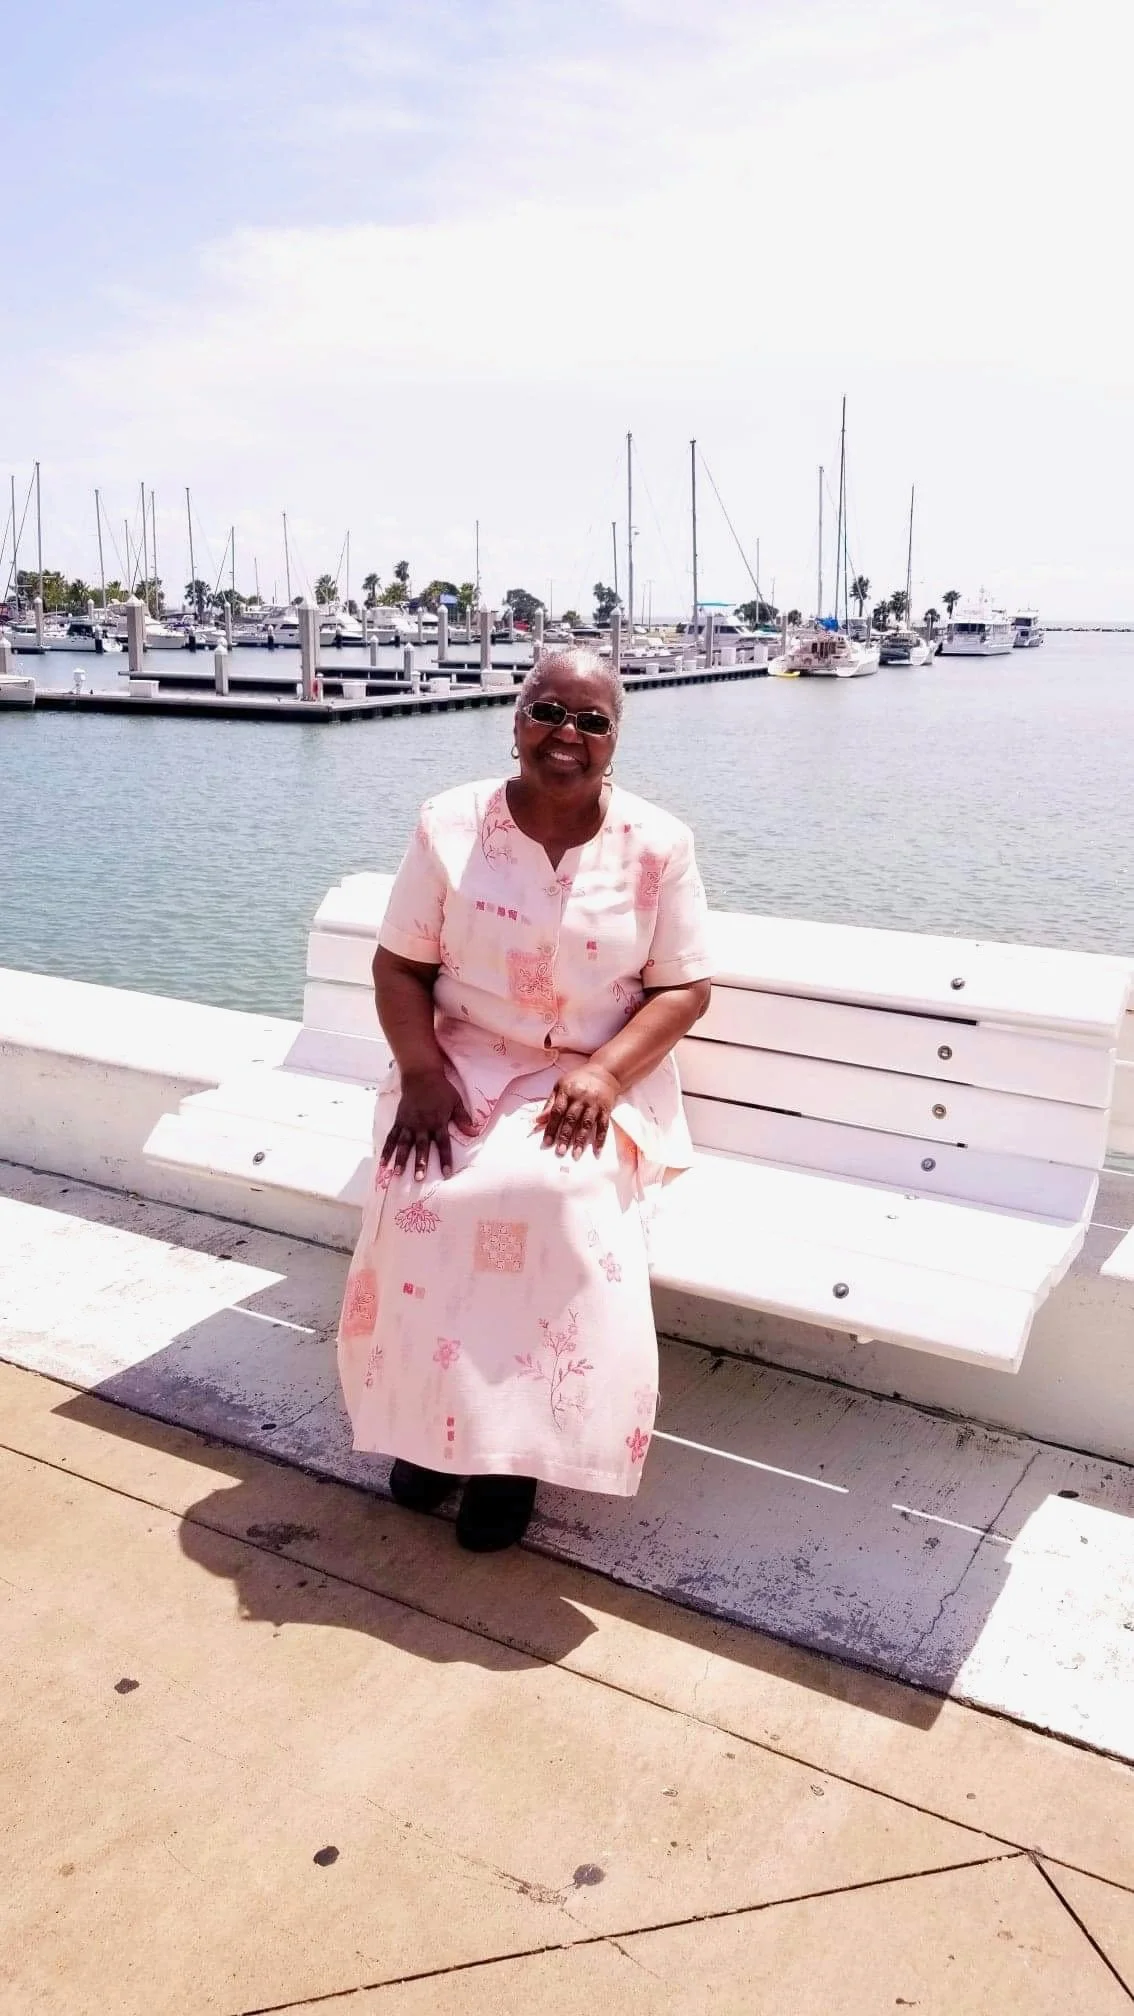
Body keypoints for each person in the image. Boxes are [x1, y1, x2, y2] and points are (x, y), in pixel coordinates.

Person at [336, 647, 712, 1551]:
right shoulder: (449, 825)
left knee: (551, 1197)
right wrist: (420, 1072)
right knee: (421, 1191)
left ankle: (509, 1458)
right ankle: (430, 1430)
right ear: (516, 720)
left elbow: (684, 988)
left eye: (592, 721)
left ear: (614, 740)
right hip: (458, 1064)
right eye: (548, 711)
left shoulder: (659, 845)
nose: (566, 734)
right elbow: (399, 966)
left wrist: (606, 1074)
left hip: (589, 1076)